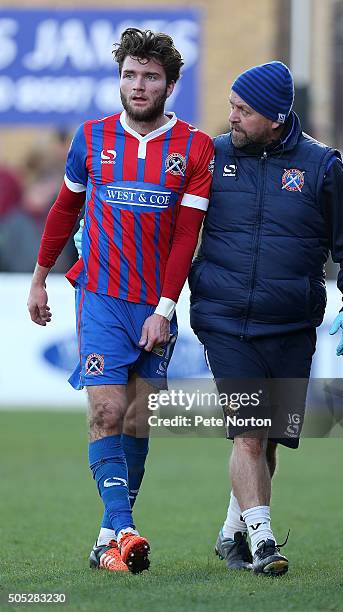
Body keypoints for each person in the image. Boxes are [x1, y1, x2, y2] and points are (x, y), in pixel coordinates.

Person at [27, 28, 214, 574]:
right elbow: (65, 209)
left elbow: (187, 234)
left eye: (150, 76)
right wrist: (40, 277)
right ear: (120, 79)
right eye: (130, 74)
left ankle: (108, 535)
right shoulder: (91, 138)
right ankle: (125, 527)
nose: (138, 85)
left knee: (137, 420)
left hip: (154, 304)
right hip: (101, 295)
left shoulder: (194, 148)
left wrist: (164, 308)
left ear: (171, 84)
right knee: (106, 410)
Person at [189, 61, 343, 575]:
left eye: (243, 110)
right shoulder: (214, 156)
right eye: (231, 105)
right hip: (223, 319)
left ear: (275, 117)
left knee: (267, 438)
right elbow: (173, 225)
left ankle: (233, 533)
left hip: (291, 324)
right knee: (248, 431)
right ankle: (264, 544)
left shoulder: (320, 167)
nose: (231, 118)